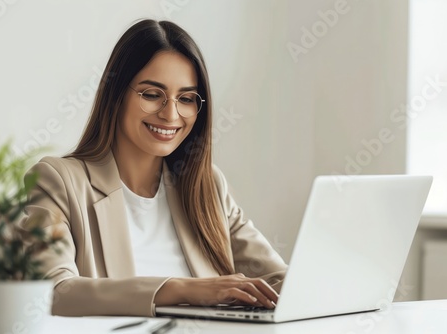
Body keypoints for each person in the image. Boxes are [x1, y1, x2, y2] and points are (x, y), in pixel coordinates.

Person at [21, 19, 288, 317]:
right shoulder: (60, 180)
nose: (171, 114)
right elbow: (51, 292)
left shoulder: (206, 185)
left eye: (186, 99)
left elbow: (282, 281)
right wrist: (182, 289)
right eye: (151, 94)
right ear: (117, 94)